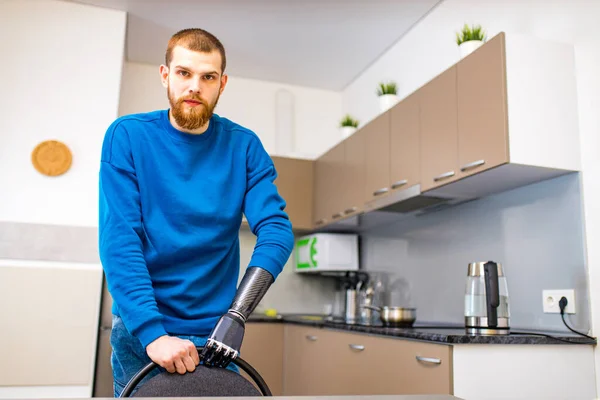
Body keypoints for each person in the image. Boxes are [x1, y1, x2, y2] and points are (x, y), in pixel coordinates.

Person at [98, 27, 294, 397]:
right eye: (184, 73)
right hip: (144, 330)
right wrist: (153, 334)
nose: (195, 86)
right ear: (165, 75)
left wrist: (236, 316)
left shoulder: (244, 146)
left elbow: (276, 231)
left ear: (222, 84)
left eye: (207, 77)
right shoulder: (127, 136)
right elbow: (120, 240)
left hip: (217, 335)